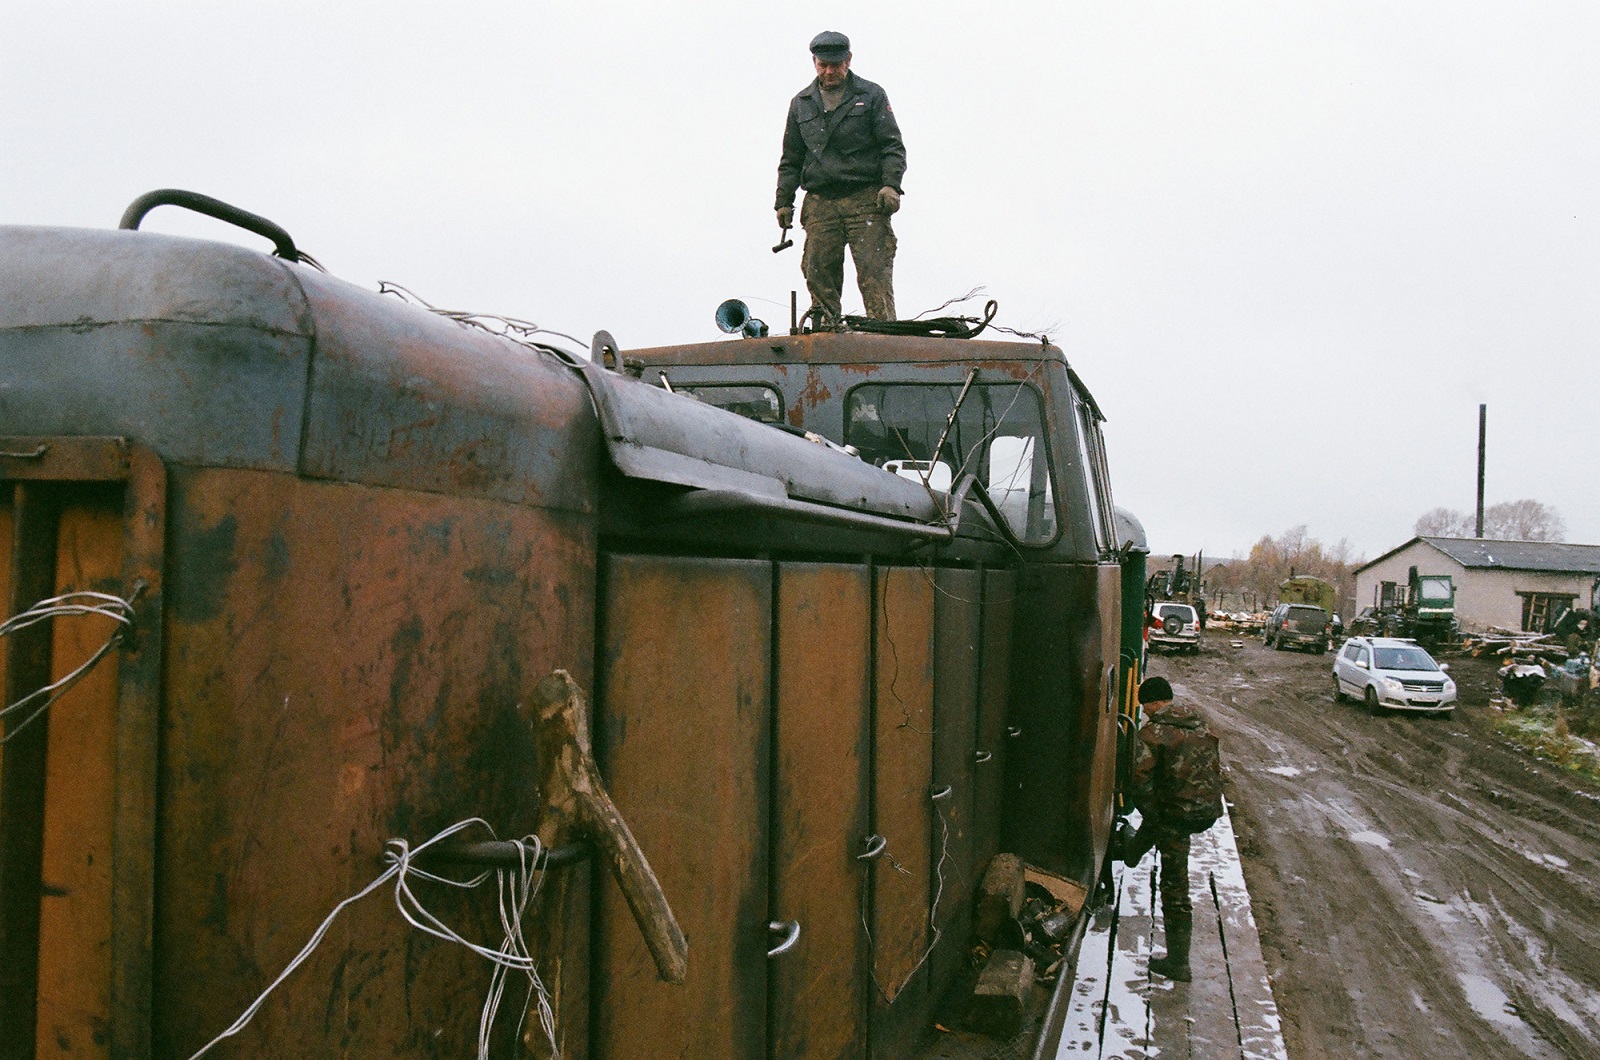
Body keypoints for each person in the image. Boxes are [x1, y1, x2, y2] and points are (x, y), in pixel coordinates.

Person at [775, 30, 906, 327]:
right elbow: (791, 157)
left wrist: (891, 185)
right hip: (821, 203)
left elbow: (892, 146)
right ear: (814, 62)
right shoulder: (802, 103)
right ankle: (827, 335)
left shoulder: (870, 95)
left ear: (848, 61)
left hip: (865, 200)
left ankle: (884, 337)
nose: (829, 71)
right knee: (819, 272)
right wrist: (783, 201)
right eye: (823, 65)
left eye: (835, 64)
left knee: (874, 273)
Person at [1122, 676, 1224, 982]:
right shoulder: (1200, 724)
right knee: (1159, 824)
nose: (1145, 712)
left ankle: (1179, 964)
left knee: (1175, 886)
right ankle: (1132, 851)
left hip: (1176, 817)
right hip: (1206, 810)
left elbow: (1140, 783)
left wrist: (1154, 816)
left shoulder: (1153, 733)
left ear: (1153, 702)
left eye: (1145, 706)